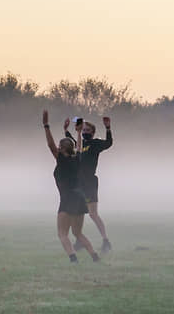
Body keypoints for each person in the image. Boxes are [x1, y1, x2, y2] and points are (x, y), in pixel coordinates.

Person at [43, 110, 99, 263]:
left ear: (61, 149)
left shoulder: (61, 160)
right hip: (80, 198)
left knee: (62, 233)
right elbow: (79, 147)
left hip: (67, 198)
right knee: (77, 233)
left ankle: (73, 259)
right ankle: (94, 256)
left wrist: (46, 125)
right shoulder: (78, 158)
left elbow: (50, 145)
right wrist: (79, 133)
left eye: (59, 148)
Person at [65, 116, 113, 254]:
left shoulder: (95, 144)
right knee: (76, 212)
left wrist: (108, 128)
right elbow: (72, 143)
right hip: (78, 183)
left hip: (90, 183)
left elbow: (109, 143)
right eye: (84, 129)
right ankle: (79, 241)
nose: (85, 131)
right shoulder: (81, 145)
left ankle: (105, 241)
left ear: (92, 132)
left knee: (92, 214)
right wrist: (66, 131)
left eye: (87, 130)